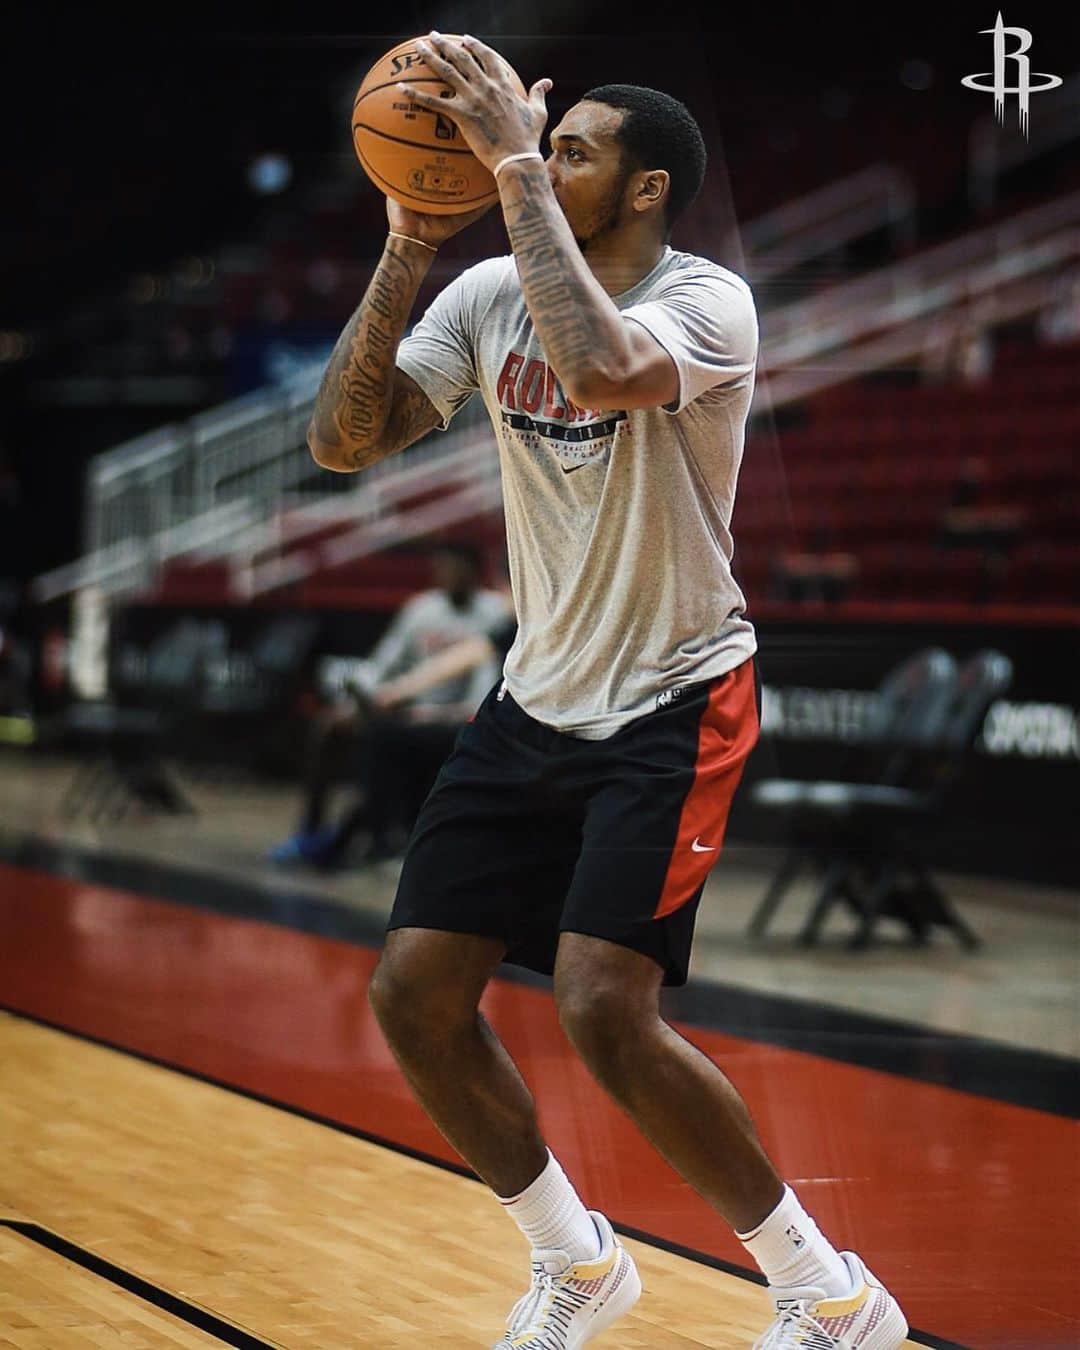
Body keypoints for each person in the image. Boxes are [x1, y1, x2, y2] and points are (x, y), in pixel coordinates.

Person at [309, 37, 907, 1350]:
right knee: (412, 993)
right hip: (539, 697)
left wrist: (516, 167)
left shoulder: (712, 304)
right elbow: (342, 443)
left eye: (574, 146)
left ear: (643, 189)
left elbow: (598, 371)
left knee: (601, 1007)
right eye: (546, 140)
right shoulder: (482, 298)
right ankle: (574, 1263)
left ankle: (832, 1290)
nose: (534, 150)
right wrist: (409, 243)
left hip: (676, 693)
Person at [269, 541, 507, 864]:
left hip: (459, 716)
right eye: (442, 568)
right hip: (409, 708)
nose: (447, 575)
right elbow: (384, 664)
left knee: (383, 740)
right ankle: (312, 829)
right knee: (332, 727)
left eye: (455, 569)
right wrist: (361, 701)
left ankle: (367, 833)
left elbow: (486, 681)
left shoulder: (496, 612)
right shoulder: (422, 609)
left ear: (474, 573)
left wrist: (435, 713)